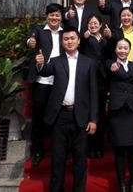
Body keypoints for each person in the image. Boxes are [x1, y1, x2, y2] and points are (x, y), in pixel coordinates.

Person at [35, 27, 98, 192]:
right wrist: (40, 64)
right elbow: (44, 70)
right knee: (58, 159)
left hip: (81, 117)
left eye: (72, 38)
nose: (69, 41)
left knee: (80, 160)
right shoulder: (56, 61)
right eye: (66, 39)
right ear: (62, 43)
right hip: (59, 116)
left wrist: (93, 119)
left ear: (78, 41)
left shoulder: (89, 62)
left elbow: (93, 92)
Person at [25, 3, 64, 166]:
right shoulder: (39, 30)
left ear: (61, 17)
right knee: (38, 117)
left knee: (59, 117)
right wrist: (30, 42)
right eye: (51, 15)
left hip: (60, 81)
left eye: (57, 15)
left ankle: (60, 150)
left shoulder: (65, 32)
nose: (54, 18)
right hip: (42, 81)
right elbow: (30, 39)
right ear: (46, 16)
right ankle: (37, 151)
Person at [106, 38, 133, 192]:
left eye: (125, 48)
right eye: (120, 48)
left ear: (129, 50)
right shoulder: (111, 65)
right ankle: (122, 184)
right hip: (117, 113)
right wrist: (110, 65)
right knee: (119, 150)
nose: (122, 51)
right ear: (115, 50)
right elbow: (104, 66)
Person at [80, 13, 111, 158]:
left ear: (100, 25)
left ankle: (99, 146)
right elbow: (80, 46)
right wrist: (84, 38)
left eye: (95, 23)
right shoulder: (84, 38)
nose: (93, 25)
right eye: (90, 23)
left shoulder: (105, 39)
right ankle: (89, 147)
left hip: (103, 81)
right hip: (88, 80)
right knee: (89, 114)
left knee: (101, 114)